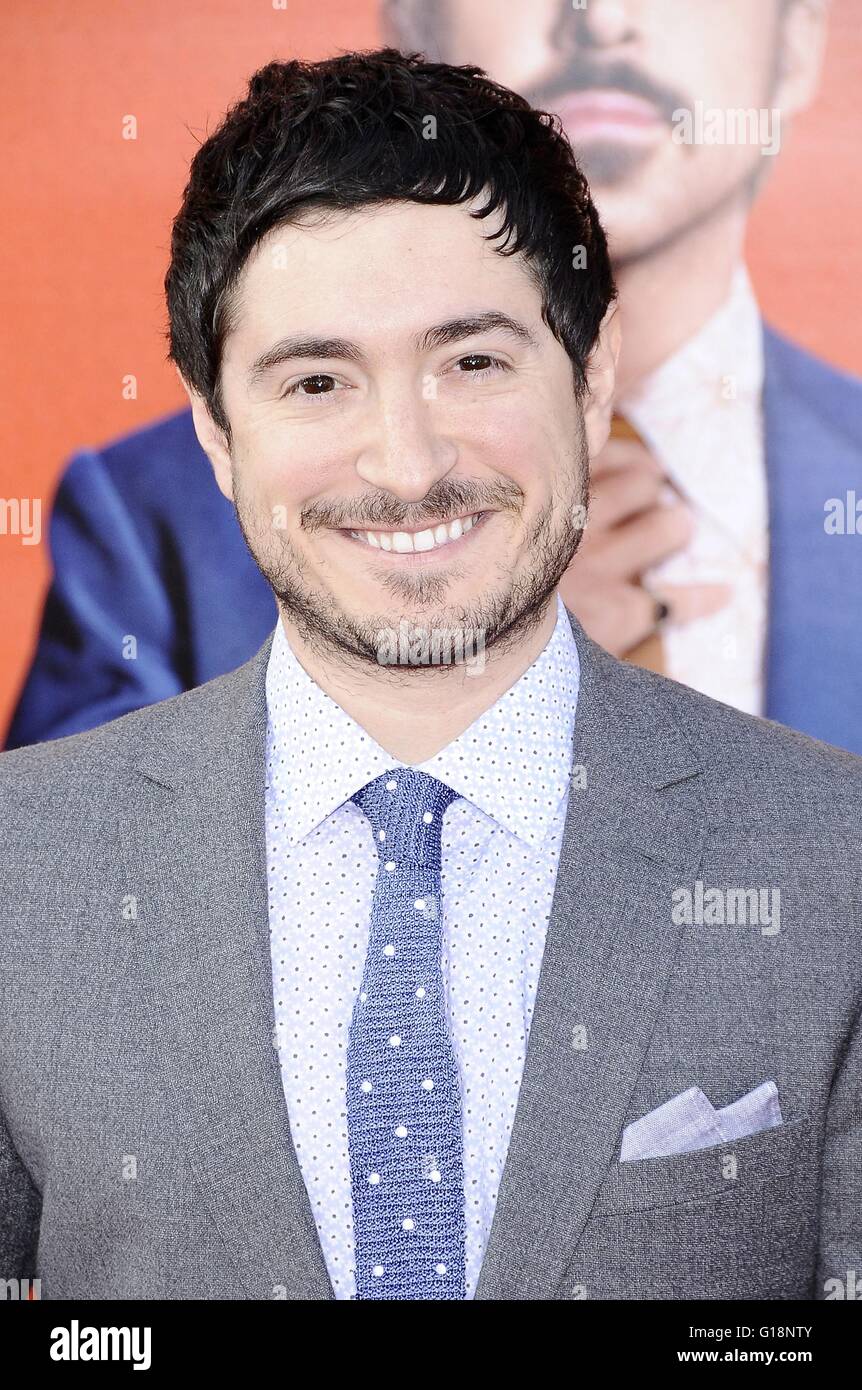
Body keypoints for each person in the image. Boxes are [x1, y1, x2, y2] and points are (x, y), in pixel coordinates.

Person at [1, 50, 859, 1302]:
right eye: (315, 381)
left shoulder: (834, 857)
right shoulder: (21, 870)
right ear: (215, 433)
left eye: (472, 363)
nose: (404, 465)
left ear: (593, 374)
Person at [6, 0, 862, 754]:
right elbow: (82, 882)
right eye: (318, 382)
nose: (596, 17)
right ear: (415, 20)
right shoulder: (140, 516)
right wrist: (481, 659)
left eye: (476, 363)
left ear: (796, 39)